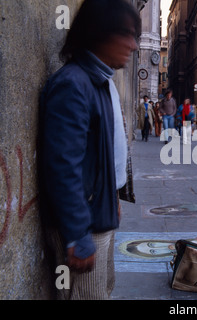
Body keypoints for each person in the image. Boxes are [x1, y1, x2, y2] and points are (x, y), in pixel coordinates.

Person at [38, 0, 140, 299]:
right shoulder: (73, 84)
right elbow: (62, 166)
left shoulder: (98, 80)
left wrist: (114, 196)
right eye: (127, 34)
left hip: (99, 212)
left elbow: (105, 152)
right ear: (99, 33)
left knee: (102, 291)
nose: (133, 45)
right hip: (85, 223)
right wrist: (78, 234)